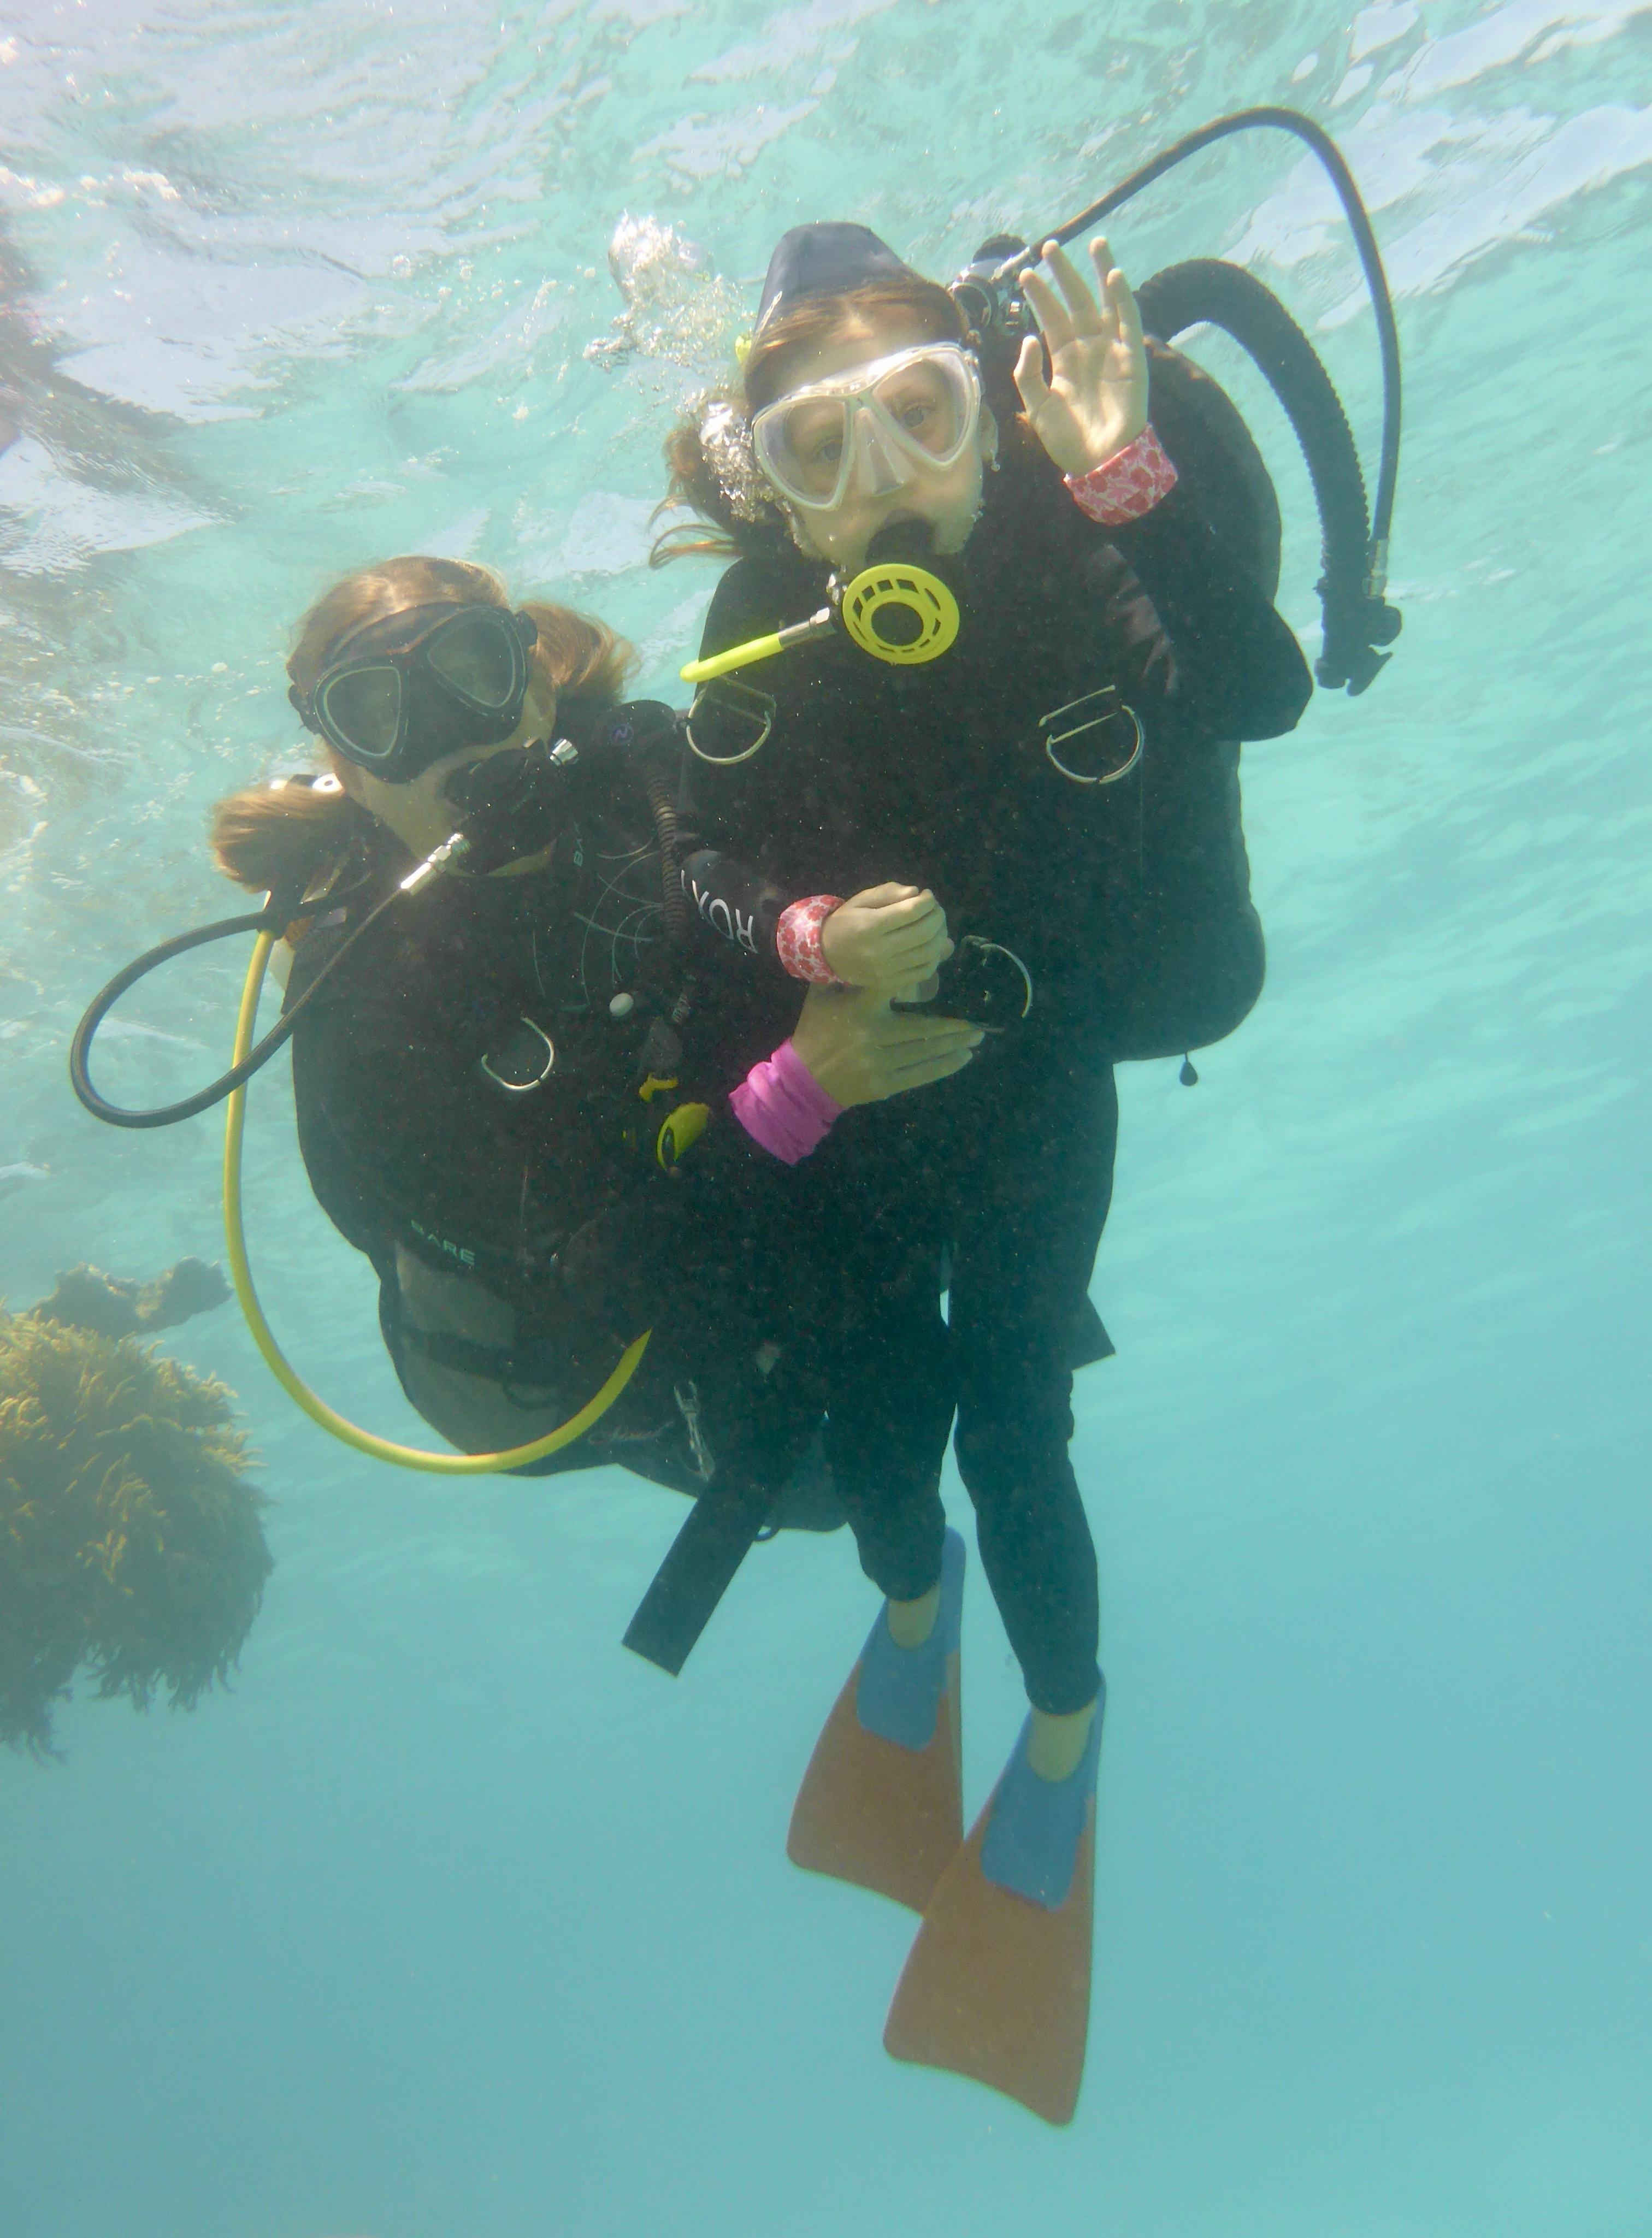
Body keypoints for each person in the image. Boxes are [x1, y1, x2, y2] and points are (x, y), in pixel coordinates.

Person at [656, 221, 1313, 2121]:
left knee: (1013, 1415)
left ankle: (1064, 1726)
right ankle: (911, 1603)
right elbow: (690, 849)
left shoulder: (1076, 531)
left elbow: (1256, 694)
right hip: (862, 1077)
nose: (875, 493)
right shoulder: (755, 625)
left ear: (986, 412)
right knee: (877, 1401)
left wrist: (1123, 477)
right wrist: (794, 942)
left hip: (1033, 1065)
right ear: (762, 478)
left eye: (917, 423)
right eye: (816, 457)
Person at [207, 555, 981, 1643]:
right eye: (377, 711)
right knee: (819, 1479)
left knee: (918, 1354)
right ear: (348, 767)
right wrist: (806, 1086)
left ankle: (912, 1571)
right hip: (602, 1352)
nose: (441, 732)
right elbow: (602, 1281)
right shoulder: (363, 1005)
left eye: (469, 670)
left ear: (531, 684)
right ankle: (908, 1588)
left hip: (766, 1209)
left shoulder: (661, 789)